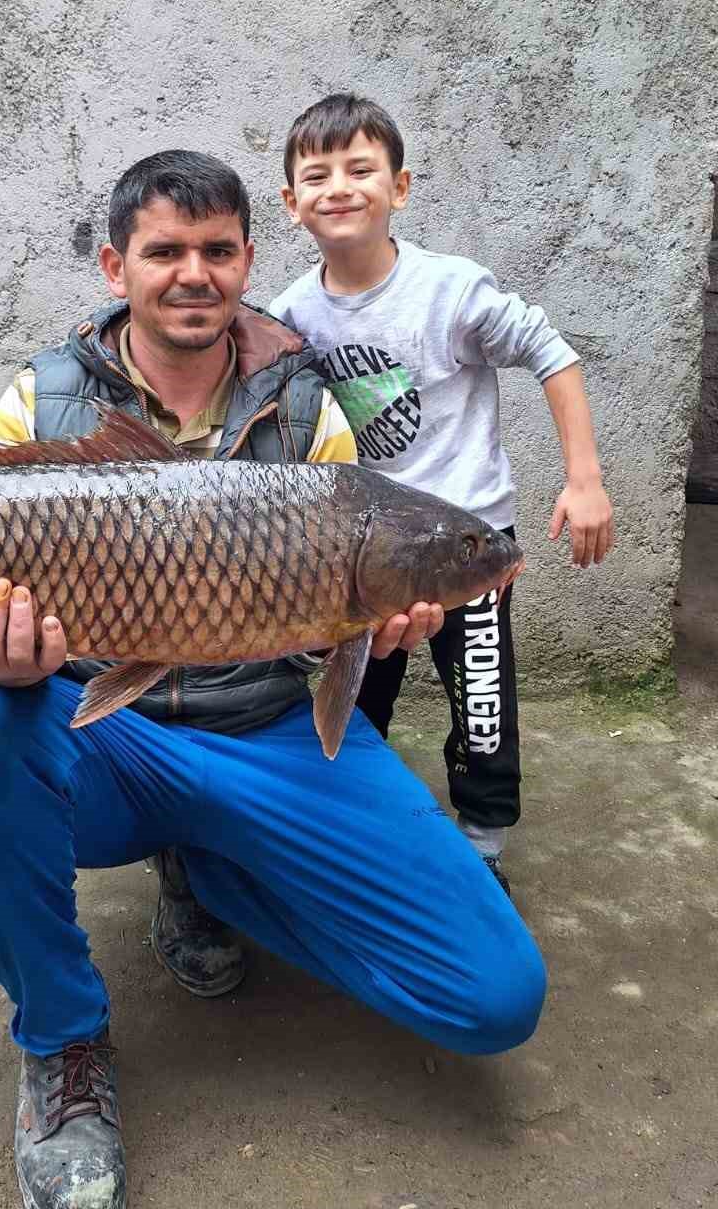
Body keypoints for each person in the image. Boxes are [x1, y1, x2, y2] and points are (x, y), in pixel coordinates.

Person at [0, 150, 547, 1209]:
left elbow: (359, 626)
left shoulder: (311, 406)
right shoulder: (38, 399)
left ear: (249, 258)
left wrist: (383, 630)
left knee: (494, 998)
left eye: (216, 250)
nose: (192, 273)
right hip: (102, 725)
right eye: (165, 251)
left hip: (268, 725)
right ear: (118, 266)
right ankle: (64, 1043)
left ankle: (219, 869)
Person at [271, 94, 615, 896]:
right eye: (316, 175)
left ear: (401, 187)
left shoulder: (449, 290)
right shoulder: (290, 315)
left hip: (468, 543)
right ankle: (359, 831)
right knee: (357, 701)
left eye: (362, 168)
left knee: (483, 704)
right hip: (359, 557)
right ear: (291, 204)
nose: (339, 187)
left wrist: (585, 477)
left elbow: (553, 354)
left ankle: (484, 848)